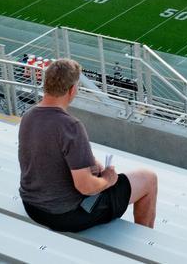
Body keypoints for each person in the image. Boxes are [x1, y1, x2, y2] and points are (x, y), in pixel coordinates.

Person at [18, 59, 158, 232]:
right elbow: (85, 187)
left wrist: (91, 164)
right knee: (148, 178)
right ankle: (146, 244)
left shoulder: (28, 115)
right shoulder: (71, 126)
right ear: (72, 90)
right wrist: (108, 180)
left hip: (32, 206)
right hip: (64, 215)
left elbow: (48, 155)